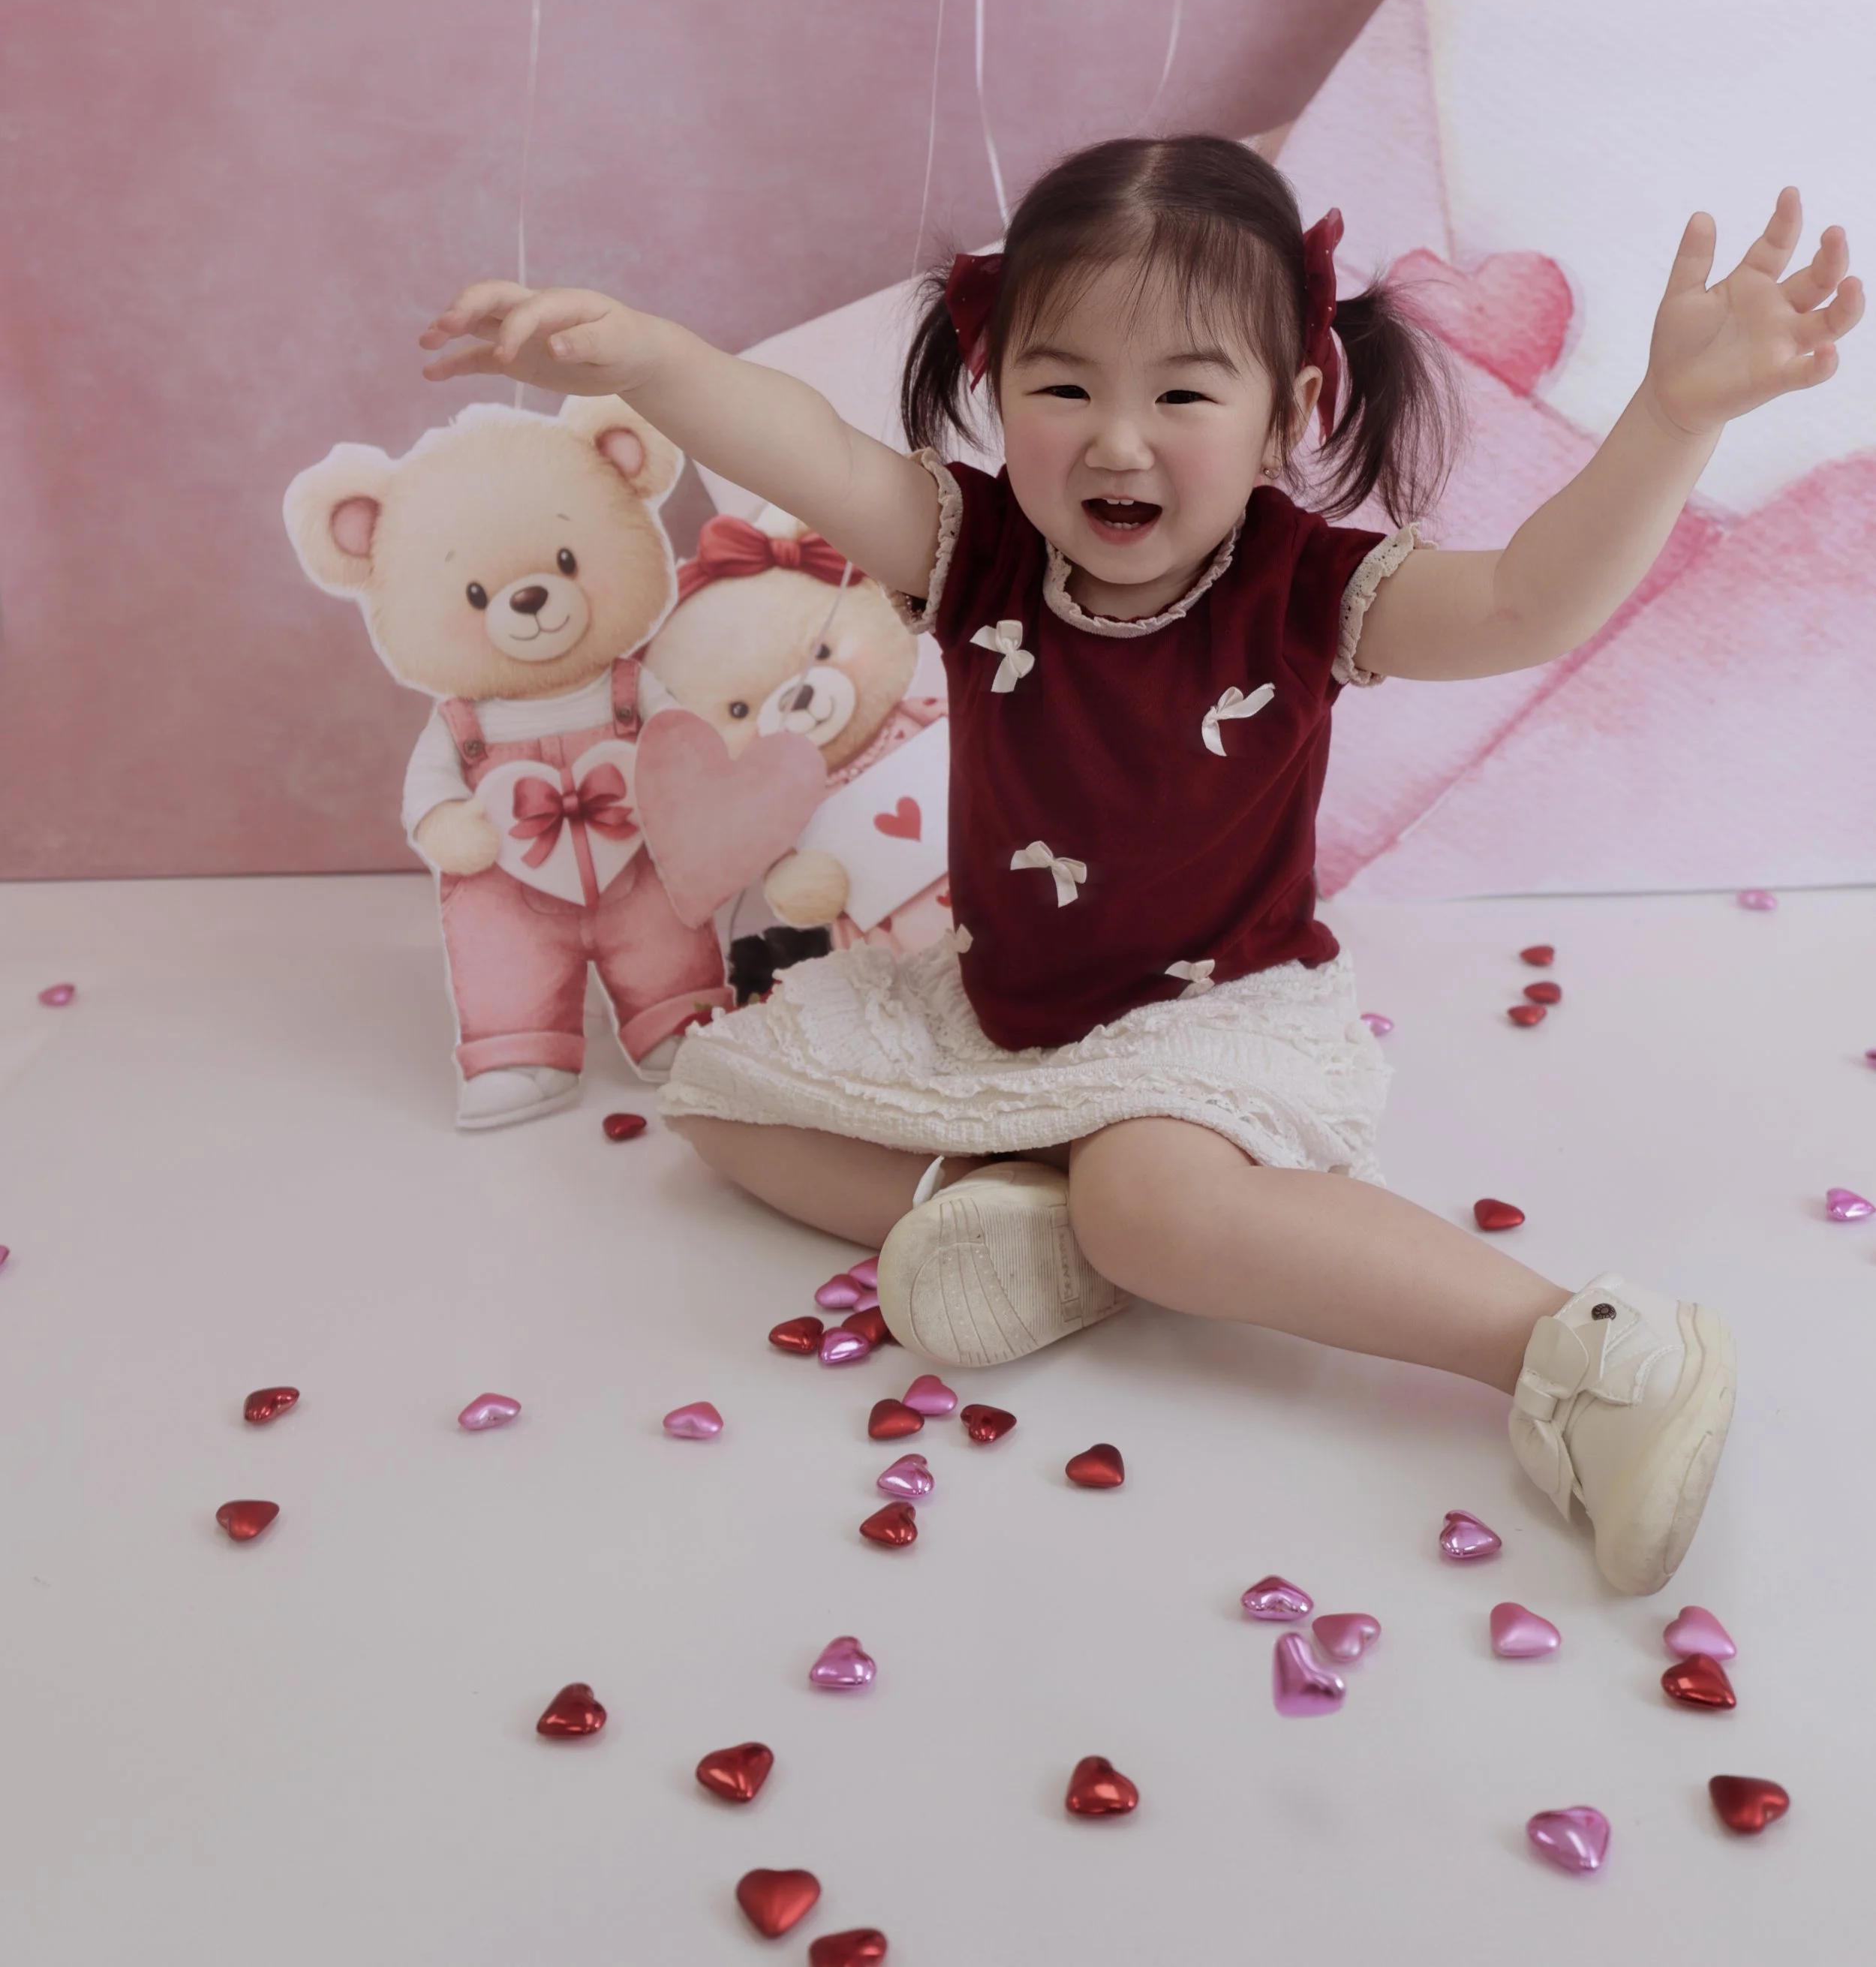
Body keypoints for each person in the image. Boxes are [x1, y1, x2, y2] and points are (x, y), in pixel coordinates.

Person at [421, 135, 1862, 1595]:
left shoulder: (1304, 590)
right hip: (1000, 1000)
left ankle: (1584, 1349)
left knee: (1148, 1203)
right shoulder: (967, 546)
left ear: (1287, 407)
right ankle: (1029, 1227)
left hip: (1208, 1011)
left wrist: (1669, 420)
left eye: (1180, 392)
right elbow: (800, 440)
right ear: (996, 391)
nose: (1116, 440)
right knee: (723, 1102)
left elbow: (1521, 602)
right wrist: (649, 356)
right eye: (1063, 388)